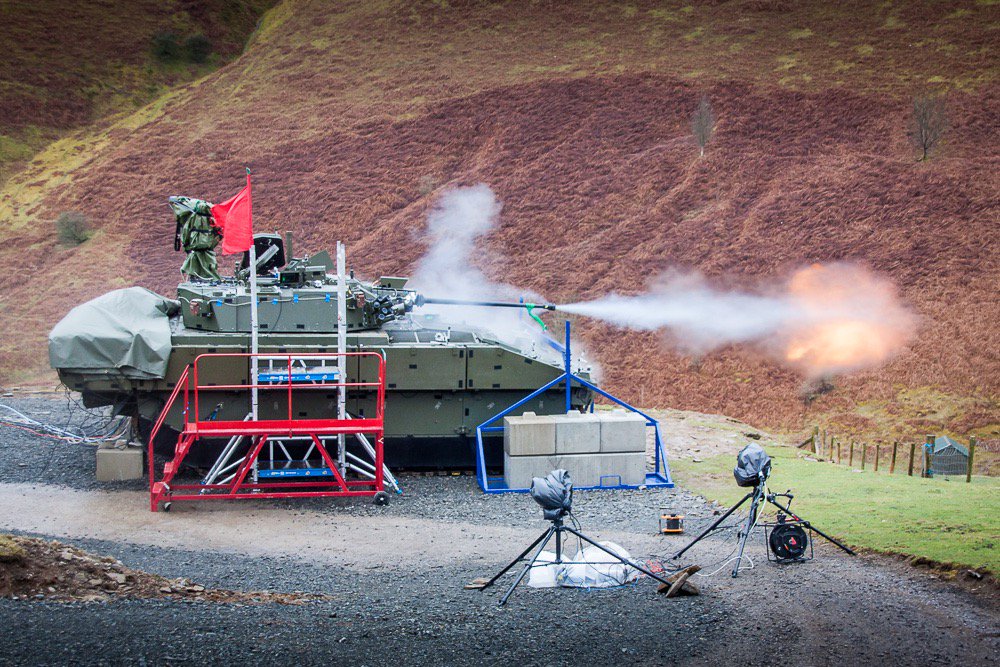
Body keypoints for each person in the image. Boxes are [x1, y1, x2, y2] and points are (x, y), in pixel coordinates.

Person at [168, 196, 222, 281]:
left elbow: (186, 233)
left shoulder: (193, 216)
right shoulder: (204, 217)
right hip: (204, 250)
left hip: (198, 250)